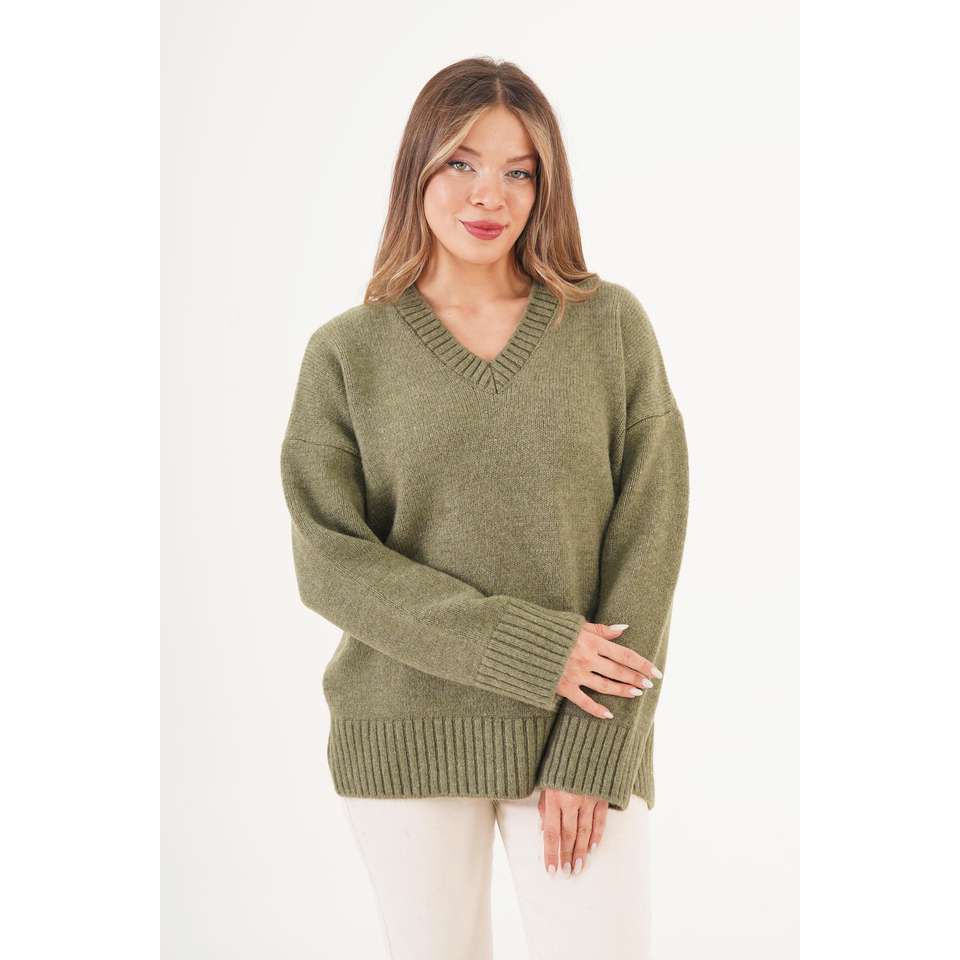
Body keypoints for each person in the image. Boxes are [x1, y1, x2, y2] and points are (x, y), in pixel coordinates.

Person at [280, 56, 689, 960]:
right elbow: (329, 560)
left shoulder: (610, 327)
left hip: (578, 728)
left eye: (519, 171)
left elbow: (649, 540)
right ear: (418, 168)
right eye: (462, 162)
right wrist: (534, 649)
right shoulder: (346, 354)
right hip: (406, 728)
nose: (488, 195)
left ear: (547, 187)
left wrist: (594, 749)